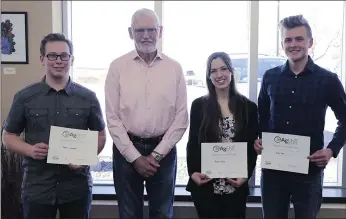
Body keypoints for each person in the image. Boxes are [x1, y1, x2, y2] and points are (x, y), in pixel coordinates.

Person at [2, 33, 106, 219]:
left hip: (76, 188)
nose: (59, 61)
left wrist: (85, 158)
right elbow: (8, 136)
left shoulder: (88, 98)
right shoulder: (25, 97)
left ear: (71, 59)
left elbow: (100, 135)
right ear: (42, 59)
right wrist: (30, 150)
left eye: (64, 56)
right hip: (37, 188)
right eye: (52, 56)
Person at [255, 15, 346, 219]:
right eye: (288, 40)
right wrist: (258, 139)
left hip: (309, 171)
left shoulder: (328, 80)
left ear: (310, 43)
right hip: (273, 173)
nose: (293, 44)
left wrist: (332, 150)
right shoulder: (270, 77)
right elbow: (261, 116)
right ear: (282, 44)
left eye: (299, 39)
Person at [104, 8, 188, 219]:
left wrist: (156, 155)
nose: (146, 35)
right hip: (126, 151)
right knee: (129, 214)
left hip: (164, 152)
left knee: (162, 213)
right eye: (140, 30)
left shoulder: (174, 68)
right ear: (131, 33)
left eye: (151, 29)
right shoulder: (117, 67)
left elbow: (181, 117)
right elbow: (112, 118)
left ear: (160, 31)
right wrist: (135, 158)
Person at [186, 52, 259, 219]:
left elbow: (251, 148)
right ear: (208, 76)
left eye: (223, 69)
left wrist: (245, 174)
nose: (219, 75)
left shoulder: (249, 108)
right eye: (213, 71)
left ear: (232, 71)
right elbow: (192, 143)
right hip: (206, 185)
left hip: (236, 186)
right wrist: (193, 172)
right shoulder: (199, 106)